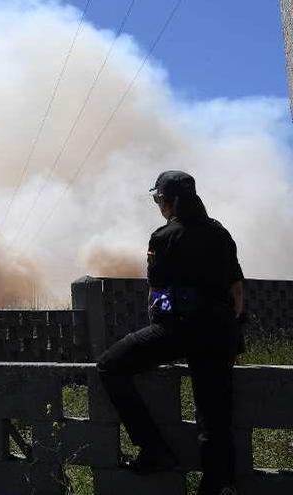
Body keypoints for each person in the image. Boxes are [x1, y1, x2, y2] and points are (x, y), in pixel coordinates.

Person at [96, 171, 244, 495]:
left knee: (109, 365)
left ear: (173, 200)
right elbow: (237, 293)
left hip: (178, 329)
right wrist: (231, 339)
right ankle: (220, 486)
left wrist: (160, 327)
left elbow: (156, 293)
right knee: (213, 415)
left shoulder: (163, 237)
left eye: (159, 198)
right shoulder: (220, 233)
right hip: (219, 334)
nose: (158, 204)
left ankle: (154, 450)